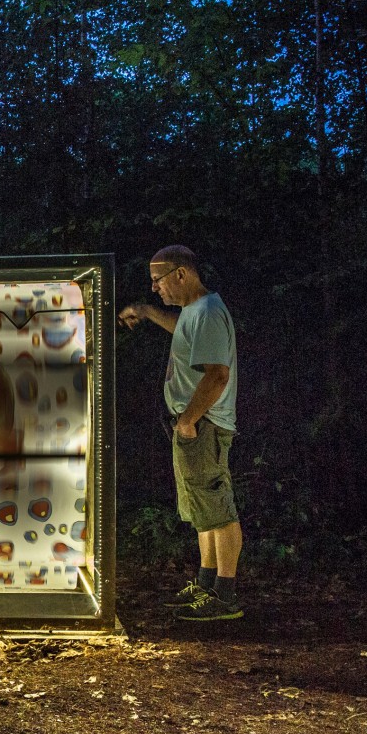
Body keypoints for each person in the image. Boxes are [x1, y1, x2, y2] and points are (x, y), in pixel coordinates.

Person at [118, 245, 243, 621]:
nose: (156, 288)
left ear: (182, 274)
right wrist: (145, 311)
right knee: (202, 509)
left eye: (158, 281)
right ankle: (205, 585)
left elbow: (217, 375)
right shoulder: (194, 312)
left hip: (204, 425)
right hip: (194, 424)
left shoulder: (207, 312)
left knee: (218, 509)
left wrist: (189, 419)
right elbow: (182, 330)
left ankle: (225, 595)